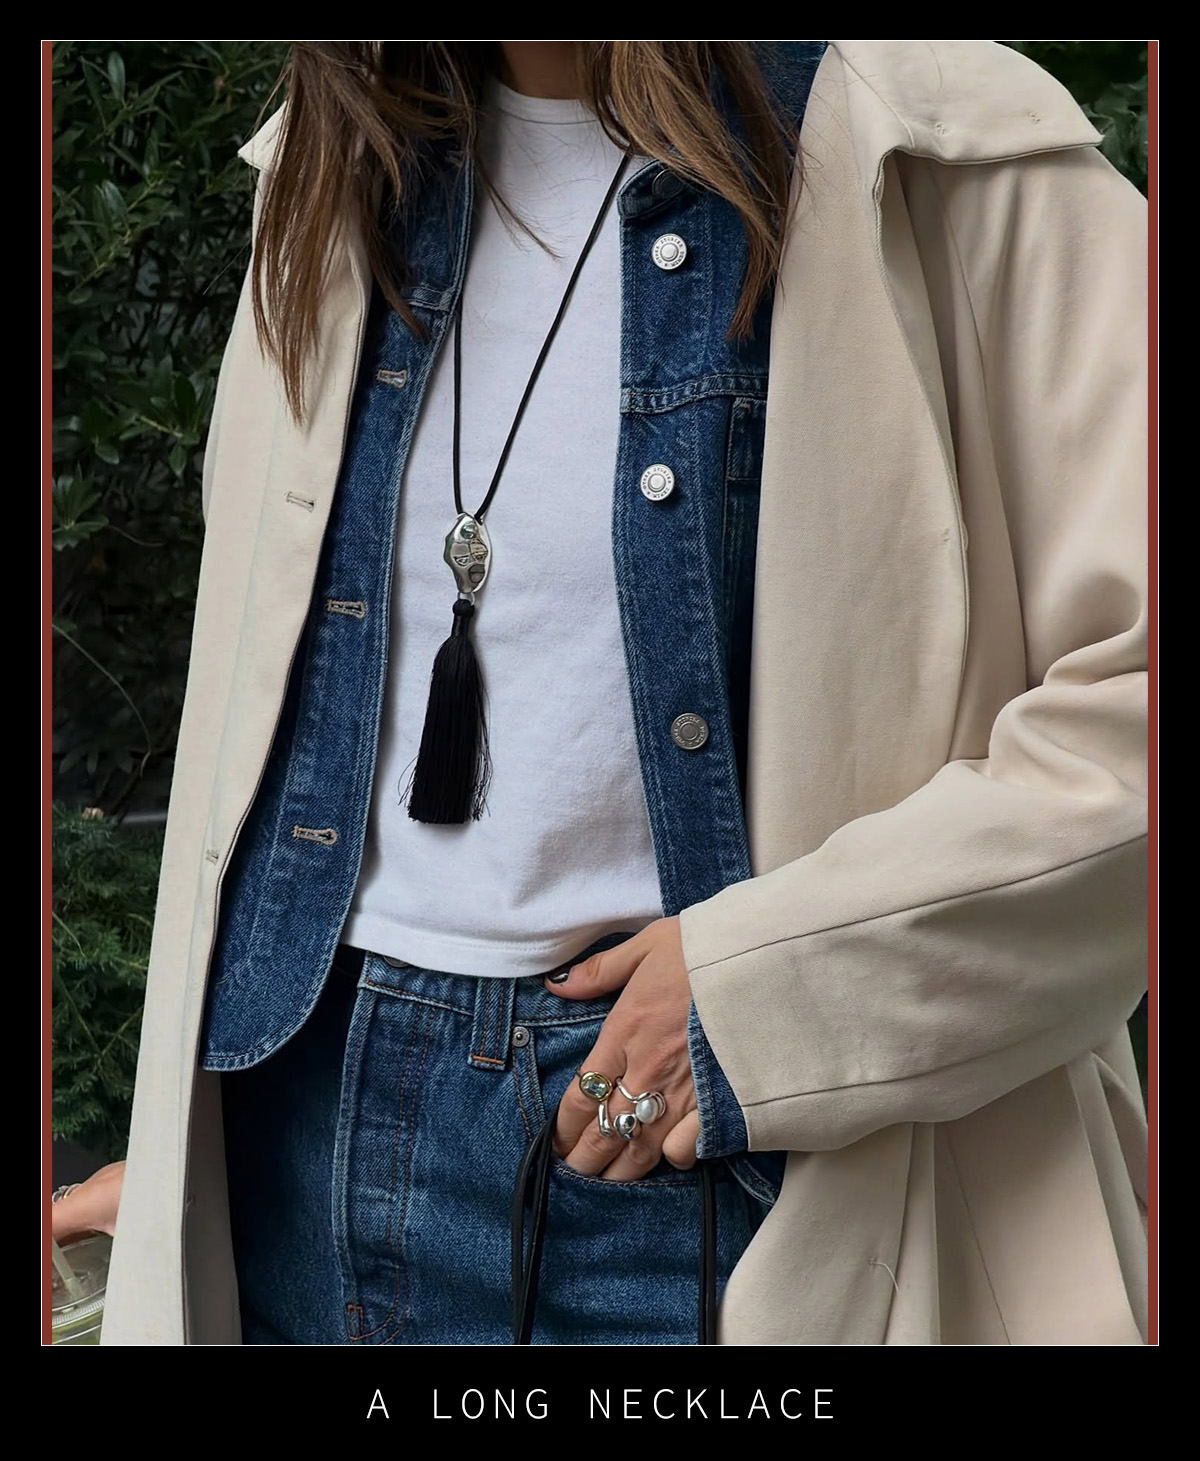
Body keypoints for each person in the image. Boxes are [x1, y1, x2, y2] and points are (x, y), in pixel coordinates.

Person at [101, 40, 1149, 1346]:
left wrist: (770, 993)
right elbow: (252, 738)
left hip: (710, 1177)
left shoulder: (944, 150)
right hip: (301, 1150)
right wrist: (186, 1170)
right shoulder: (327, 169)